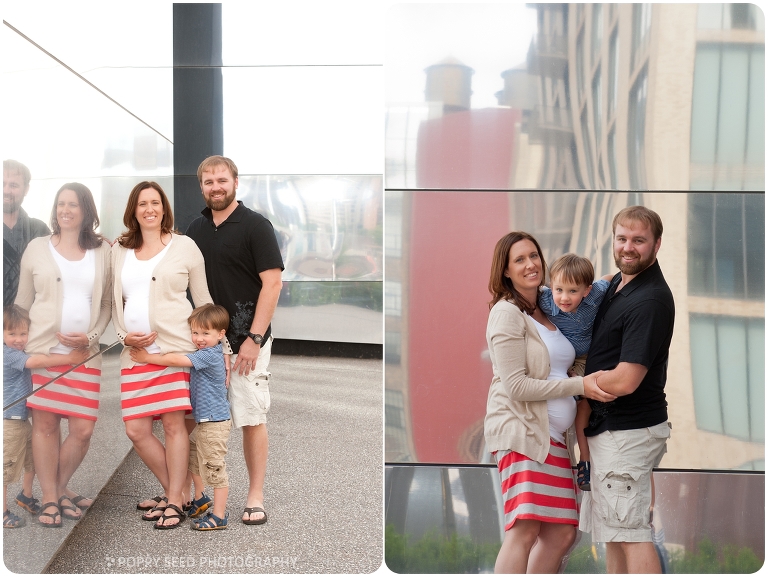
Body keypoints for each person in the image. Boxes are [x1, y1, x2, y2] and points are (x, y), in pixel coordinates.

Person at [484, 231, 616, 573]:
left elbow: (592, 286)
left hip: (553, 440)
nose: (530, 264)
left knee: (561, 534)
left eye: (533, 256)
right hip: (522, 434)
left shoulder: (549, 307)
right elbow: (516, 386)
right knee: (525, 528)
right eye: (519, 260)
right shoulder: (507, 313)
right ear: (505, 272)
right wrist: (580, 383)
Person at [112, 181, 224, 529]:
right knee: (137, 430)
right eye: (142, 203)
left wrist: (221, 349)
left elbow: (204, 301)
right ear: (134, 210)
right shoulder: (119, 248)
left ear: (164, 208)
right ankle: (182, 492)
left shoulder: (185, 246)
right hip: (136, 356)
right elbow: (112, 302)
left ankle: (175, 501)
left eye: (155, 203)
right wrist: (122, 335)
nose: (149, 209)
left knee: (175, 426)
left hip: (175, 350)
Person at [186, 155, 284, 526]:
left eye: (222, 180)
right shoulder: (196, 228)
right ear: (202, 187)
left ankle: (254, 495)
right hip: (207, 343)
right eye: (208, 181)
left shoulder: (256, 226)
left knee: (250, 416)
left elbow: (272, 283)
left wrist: (254, 338)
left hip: (247, 341)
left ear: (236, 182)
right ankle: (200, 495)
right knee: (204, 417)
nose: (216, 187)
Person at [579, 206, 675, 574]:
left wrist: (580, 384)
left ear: (657, 244)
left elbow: (626, 379)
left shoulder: (649, 299)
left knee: (632, 534)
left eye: (639, 240)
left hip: (628, 434)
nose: (628, 247)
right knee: (616, 533)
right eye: (622, 238)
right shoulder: (620, 284)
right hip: (614, 433)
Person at [15, 183, 112, 527]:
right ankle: (54, 498)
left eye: (73, 204)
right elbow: (21, 305)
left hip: (85, 356)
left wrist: (91, 337)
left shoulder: (102, 250)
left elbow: (105, 305)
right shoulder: (37, 248)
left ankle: (54, 488)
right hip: (43, 353)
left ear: (86, 210)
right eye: (60, 204)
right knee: (45, 425)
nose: (65, 210)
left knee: (83, 429)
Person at [130, 304, 232, 531]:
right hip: (204, 421)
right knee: (194, 461)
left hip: (215, 421)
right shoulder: (203, 352)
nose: (199, 338)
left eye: (206, 333)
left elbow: (177, 361)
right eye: (195, 333)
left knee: (214, 467)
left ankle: (219, 515)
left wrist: (147, 357)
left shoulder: (209, 355)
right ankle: (199, 498)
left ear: (221, 334)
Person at [3, 305, 87, 528]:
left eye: (24, 333)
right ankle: (2, 511)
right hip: (8, 419)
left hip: (22, 418)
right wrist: (69, 358)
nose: (19, 339)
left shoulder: (18, 350)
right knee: (6, 467)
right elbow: (35, 363)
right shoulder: (8, 353)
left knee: (32, 461)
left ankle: (27, 495)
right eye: (12, 334)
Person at [537, 253, 613, 491]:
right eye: (559, 289)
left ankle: (585, 459)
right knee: (572, 398)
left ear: (586, 291)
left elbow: (610, 277)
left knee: (584, 404)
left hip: (586, 357)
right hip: (564, 356)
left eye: (572, 291)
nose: (564, 297)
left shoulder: (597, 293)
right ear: (551, 287)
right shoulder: (546, 300)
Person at [3, 160, 50, 306]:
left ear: (26, 189)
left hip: (29, 322)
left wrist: (96, 243)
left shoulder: (39, 230)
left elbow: (65, 253)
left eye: (14, 185)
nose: (6, 190)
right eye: (2, 183)